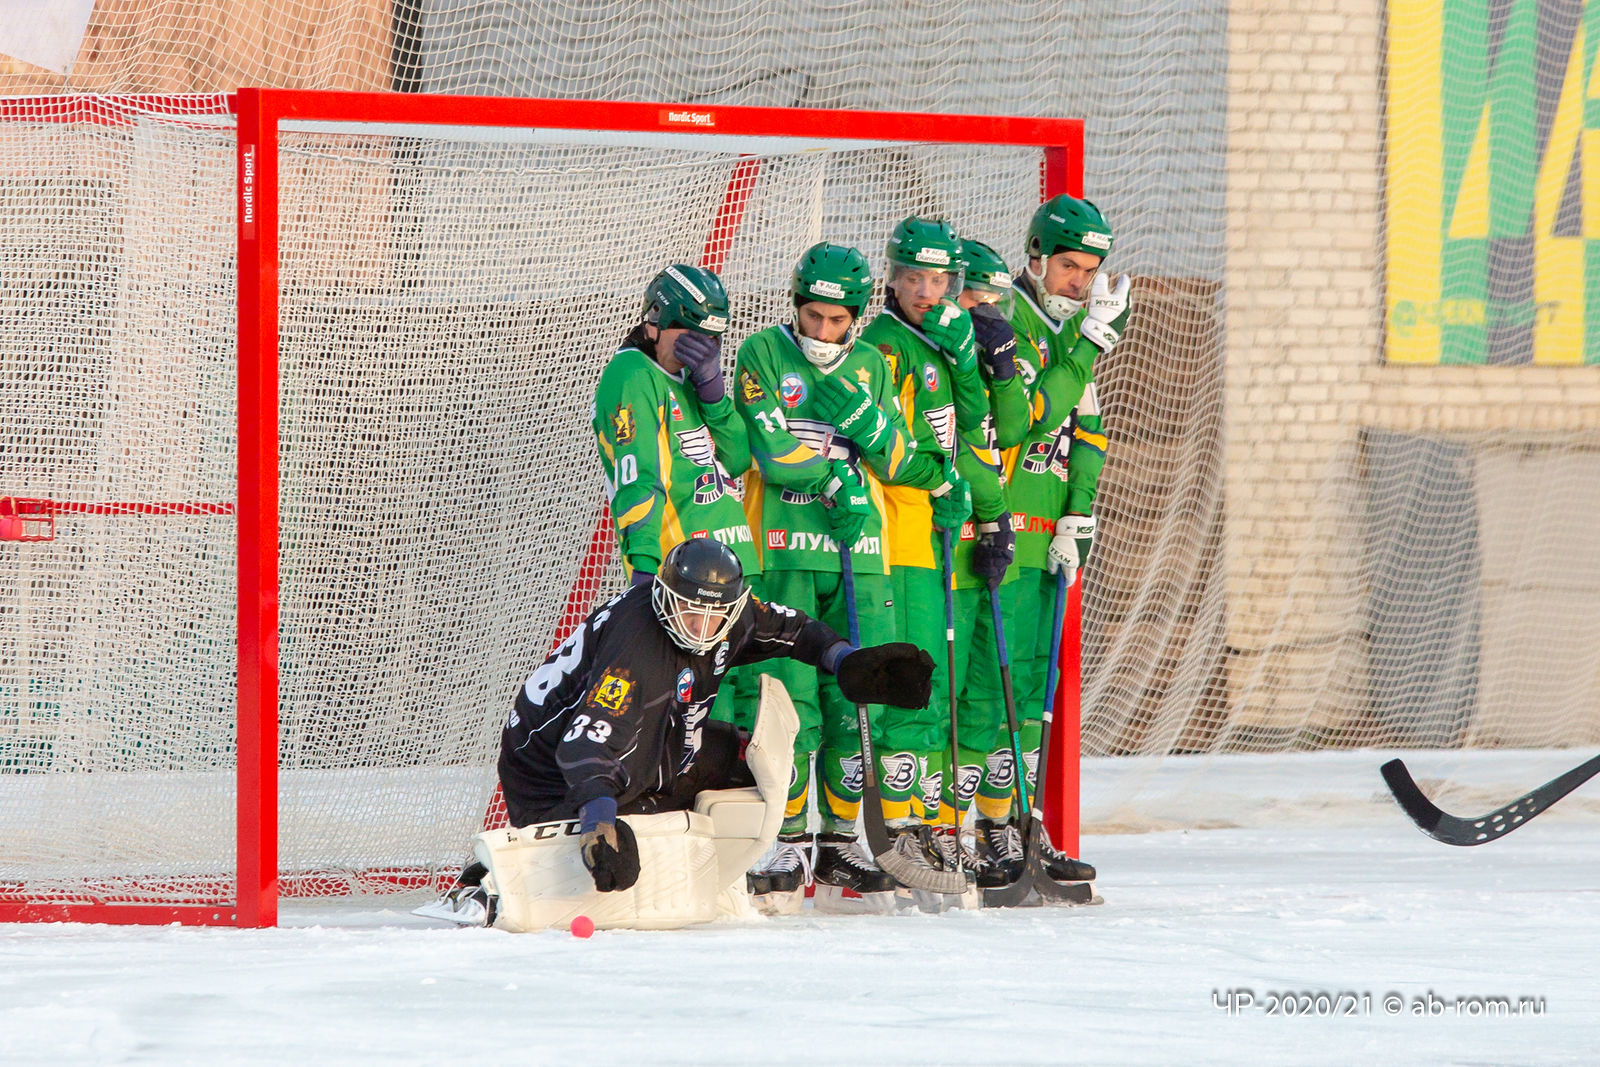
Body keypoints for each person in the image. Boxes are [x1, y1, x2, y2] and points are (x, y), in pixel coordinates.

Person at [496, 537, 933, 898]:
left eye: (715, 615)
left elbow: (796, 629)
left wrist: (844, 660)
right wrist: (599, 826)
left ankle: (695, 852)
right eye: (690, 612)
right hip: (549, 780)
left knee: (750, 762)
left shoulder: (729, 614)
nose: (702, 628)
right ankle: (520, 870)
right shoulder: (636, 653)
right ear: (664, 596)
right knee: (628, 814)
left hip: (642, 741)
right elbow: (586, 746)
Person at [732, 242, 921, 910]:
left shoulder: (872, 364)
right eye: (812, 315)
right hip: (784, 547)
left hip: (858, 548)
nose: (822, 330)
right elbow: (771, 449)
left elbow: (899, 456)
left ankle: (839, 837)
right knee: (787, 696)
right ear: (796, 304)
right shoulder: (762, 352)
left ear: (856, 316)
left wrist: (865, 424)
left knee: (855, 695)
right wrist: (833, 477)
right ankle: (785, 837)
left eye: (837, 320)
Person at [984, 194, 1132, 886]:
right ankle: (985, 831)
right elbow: (1035, 415)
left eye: (1092, 270)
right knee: (992, 688)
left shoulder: (1074, 328)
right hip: (998, 531)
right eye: (1070, 266)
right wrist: (1088, 341)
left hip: (1050, 537)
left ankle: (1023, 823)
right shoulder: (1005, 318)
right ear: (1036, 256)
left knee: (1033, 687)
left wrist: (1079, 512)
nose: (1081, 282)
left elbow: (1087, 432)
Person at [859, 216, 992, 875]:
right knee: (909, 681)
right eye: (913, 277)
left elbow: (977, 424)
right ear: (892, 277)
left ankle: (932, 824)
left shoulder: (943, 337)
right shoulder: (884, 344)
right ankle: (896, 829)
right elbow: (880, 443)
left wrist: (965, 359)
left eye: (938, 280)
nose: (925, 291)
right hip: (898, 532)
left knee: (938, 687)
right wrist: (938, 483)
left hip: (940, 534)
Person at [591, 264, 758, 585]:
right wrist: (643, 569)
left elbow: (737, 461)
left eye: (711, 337)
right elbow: (638, 476)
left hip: (738, 562)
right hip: (687, 573)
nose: (703, 346)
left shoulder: (694, 375)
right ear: (656, 318)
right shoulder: (632, 375)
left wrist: (714, 397)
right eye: (691, 332)